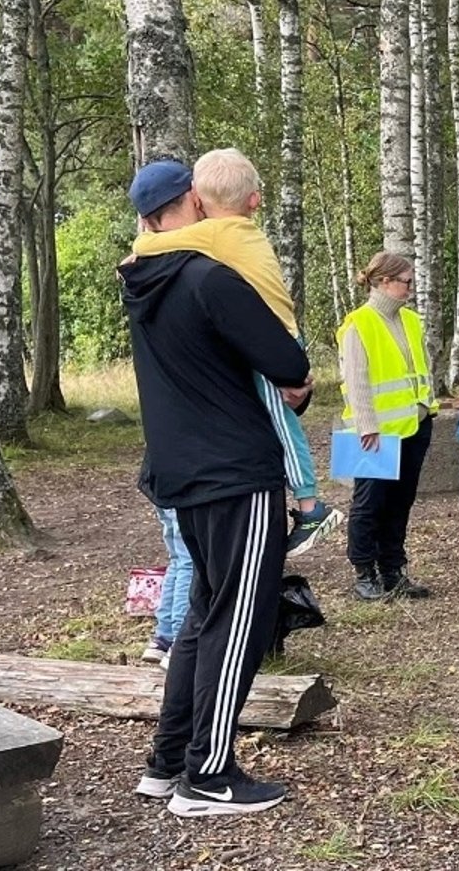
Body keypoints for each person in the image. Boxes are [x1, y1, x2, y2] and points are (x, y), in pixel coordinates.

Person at [121, 158, 309, 817]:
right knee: (240, 621)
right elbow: (289, 361)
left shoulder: (143, 278)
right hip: (235, 470)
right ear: (195, 202)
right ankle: (210, 775)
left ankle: (169, 760)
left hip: (180, 470)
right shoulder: (210, 277)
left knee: (204, 616)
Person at [131, 148, 341, 556]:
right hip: (275, 341)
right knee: (282, 419)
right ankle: (307, 502)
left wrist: (138, 245)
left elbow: (157, 242)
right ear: (254, 200)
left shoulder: (214, 237)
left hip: (272, 343)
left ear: (200, 198)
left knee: (283, 424)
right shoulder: (239, 235)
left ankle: (311, 504)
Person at [338, 251, 440, 601]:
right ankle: (364, 572)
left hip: (414, 425)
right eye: (406, 282)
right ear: (383, 282)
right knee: (369, 503)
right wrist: (367, 426)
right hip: (375, 433)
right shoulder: (359, 323)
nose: (410, 288)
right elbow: (356, 381)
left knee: (400, 503)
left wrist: (427, 406)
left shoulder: (411, 320)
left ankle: (393, 570)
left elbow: (421, 368)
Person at [142, 505, 193, 667]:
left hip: (162, 488)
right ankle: (179, 640)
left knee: (178, 560)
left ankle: (163, 637)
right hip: (184, 490)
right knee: (189, 562)